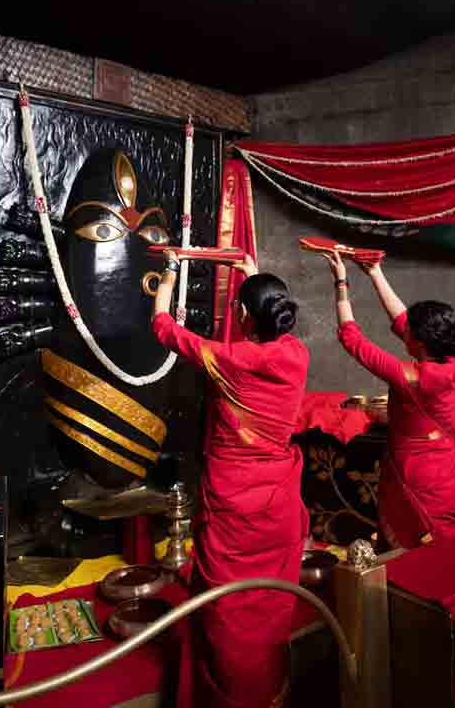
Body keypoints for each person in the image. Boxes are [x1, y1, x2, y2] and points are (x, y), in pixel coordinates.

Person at [150, 252, 309, 708]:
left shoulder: (229, 359)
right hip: (275, 503)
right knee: (267, 604)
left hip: (234, 500)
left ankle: (228, 695)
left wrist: (170, 269)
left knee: (226, 608)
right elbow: (265, 313)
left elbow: (162, 325)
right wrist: (252, 272)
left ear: (241, 316)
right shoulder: (297, 354)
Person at [323, 251, 455, 550]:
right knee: (449, 553)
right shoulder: (452, 365)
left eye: (409, 332)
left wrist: (341, 282)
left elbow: (352, 340)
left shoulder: (412, 377)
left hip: (417, 477)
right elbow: (403, 319)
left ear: (418, 341)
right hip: (447, 471)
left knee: (415, 554)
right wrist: (375, 273)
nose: (404, 330)